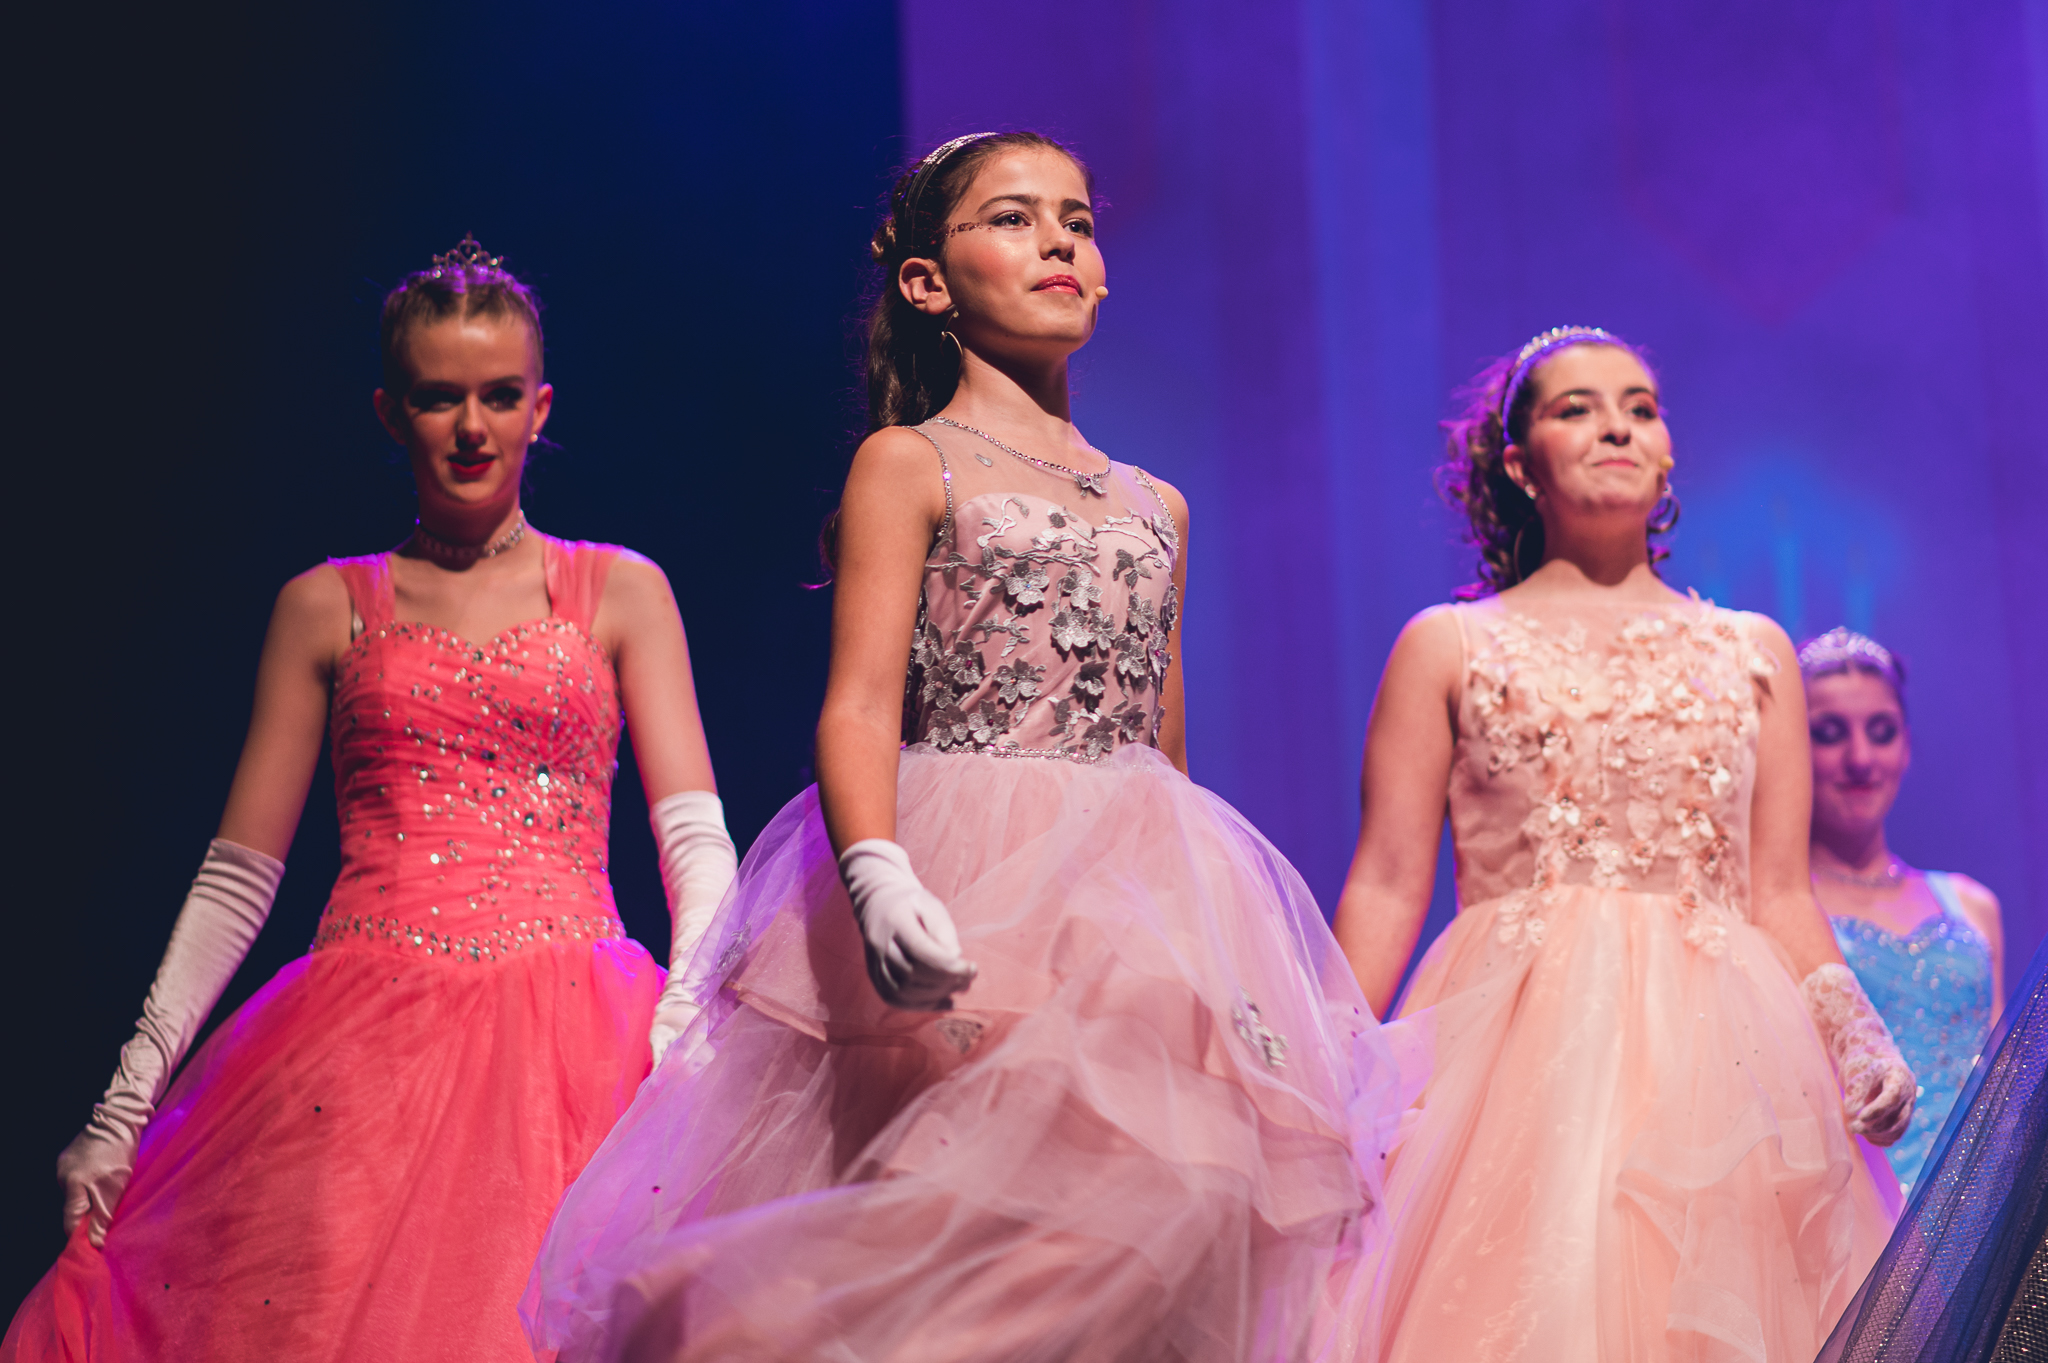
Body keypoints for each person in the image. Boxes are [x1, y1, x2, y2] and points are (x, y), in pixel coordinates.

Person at [522, 132, 1404, 1363]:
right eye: (1012, 217)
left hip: (1131, 894)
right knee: (960, 1200)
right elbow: (857, 703)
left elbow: (1162, 744)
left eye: (1077, 220)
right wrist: (877, 871)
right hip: (970, 873)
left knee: (1165, 1204)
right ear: (927, 282)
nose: (1057, 241)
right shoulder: (909, 461)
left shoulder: (1155, 503)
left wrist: (1212, 949)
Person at [3, 239, 738, 1361]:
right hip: (362, 1050)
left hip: (577, 1037)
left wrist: (687, 1021)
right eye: (440, 398)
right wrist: (121, 1106)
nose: (472, 427)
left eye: (500, 396)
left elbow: (694, 838)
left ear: (541, 408)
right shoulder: (324, 606)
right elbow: (237, 878)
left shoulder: (622, 590)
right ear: (391, 413)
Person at [1328, 327, 1914, 1360]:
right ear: (1519, 465)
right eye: (1577, 408)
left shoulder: (1751, 650)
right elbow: (1384, 880)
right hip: (1512, 1057)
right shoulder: (1447, 645)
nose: (1615, 427)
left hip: (1723, 1063)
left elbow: (1779, 892)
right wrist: (1325, 1058)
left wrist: (1855, 1033)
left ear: (1666, 450)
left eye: (1638, 408)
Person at [1801, 626, 2003, 1193]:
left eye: (1882, 731)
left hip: (1986, 1203)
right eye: (1829, 733)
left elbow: (2000, 1087)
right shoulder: (1783, 915)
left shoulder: (1971, 904)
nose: (1861, 758)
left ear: (1907, 746)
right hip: (1858, 1209)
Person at [1817, 935, 2048, 1363]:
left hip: (1978, 1173)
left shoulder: (1972, 907)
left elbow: (2007, 1053)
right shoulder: (1812, 924)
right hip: (1875, 1161)